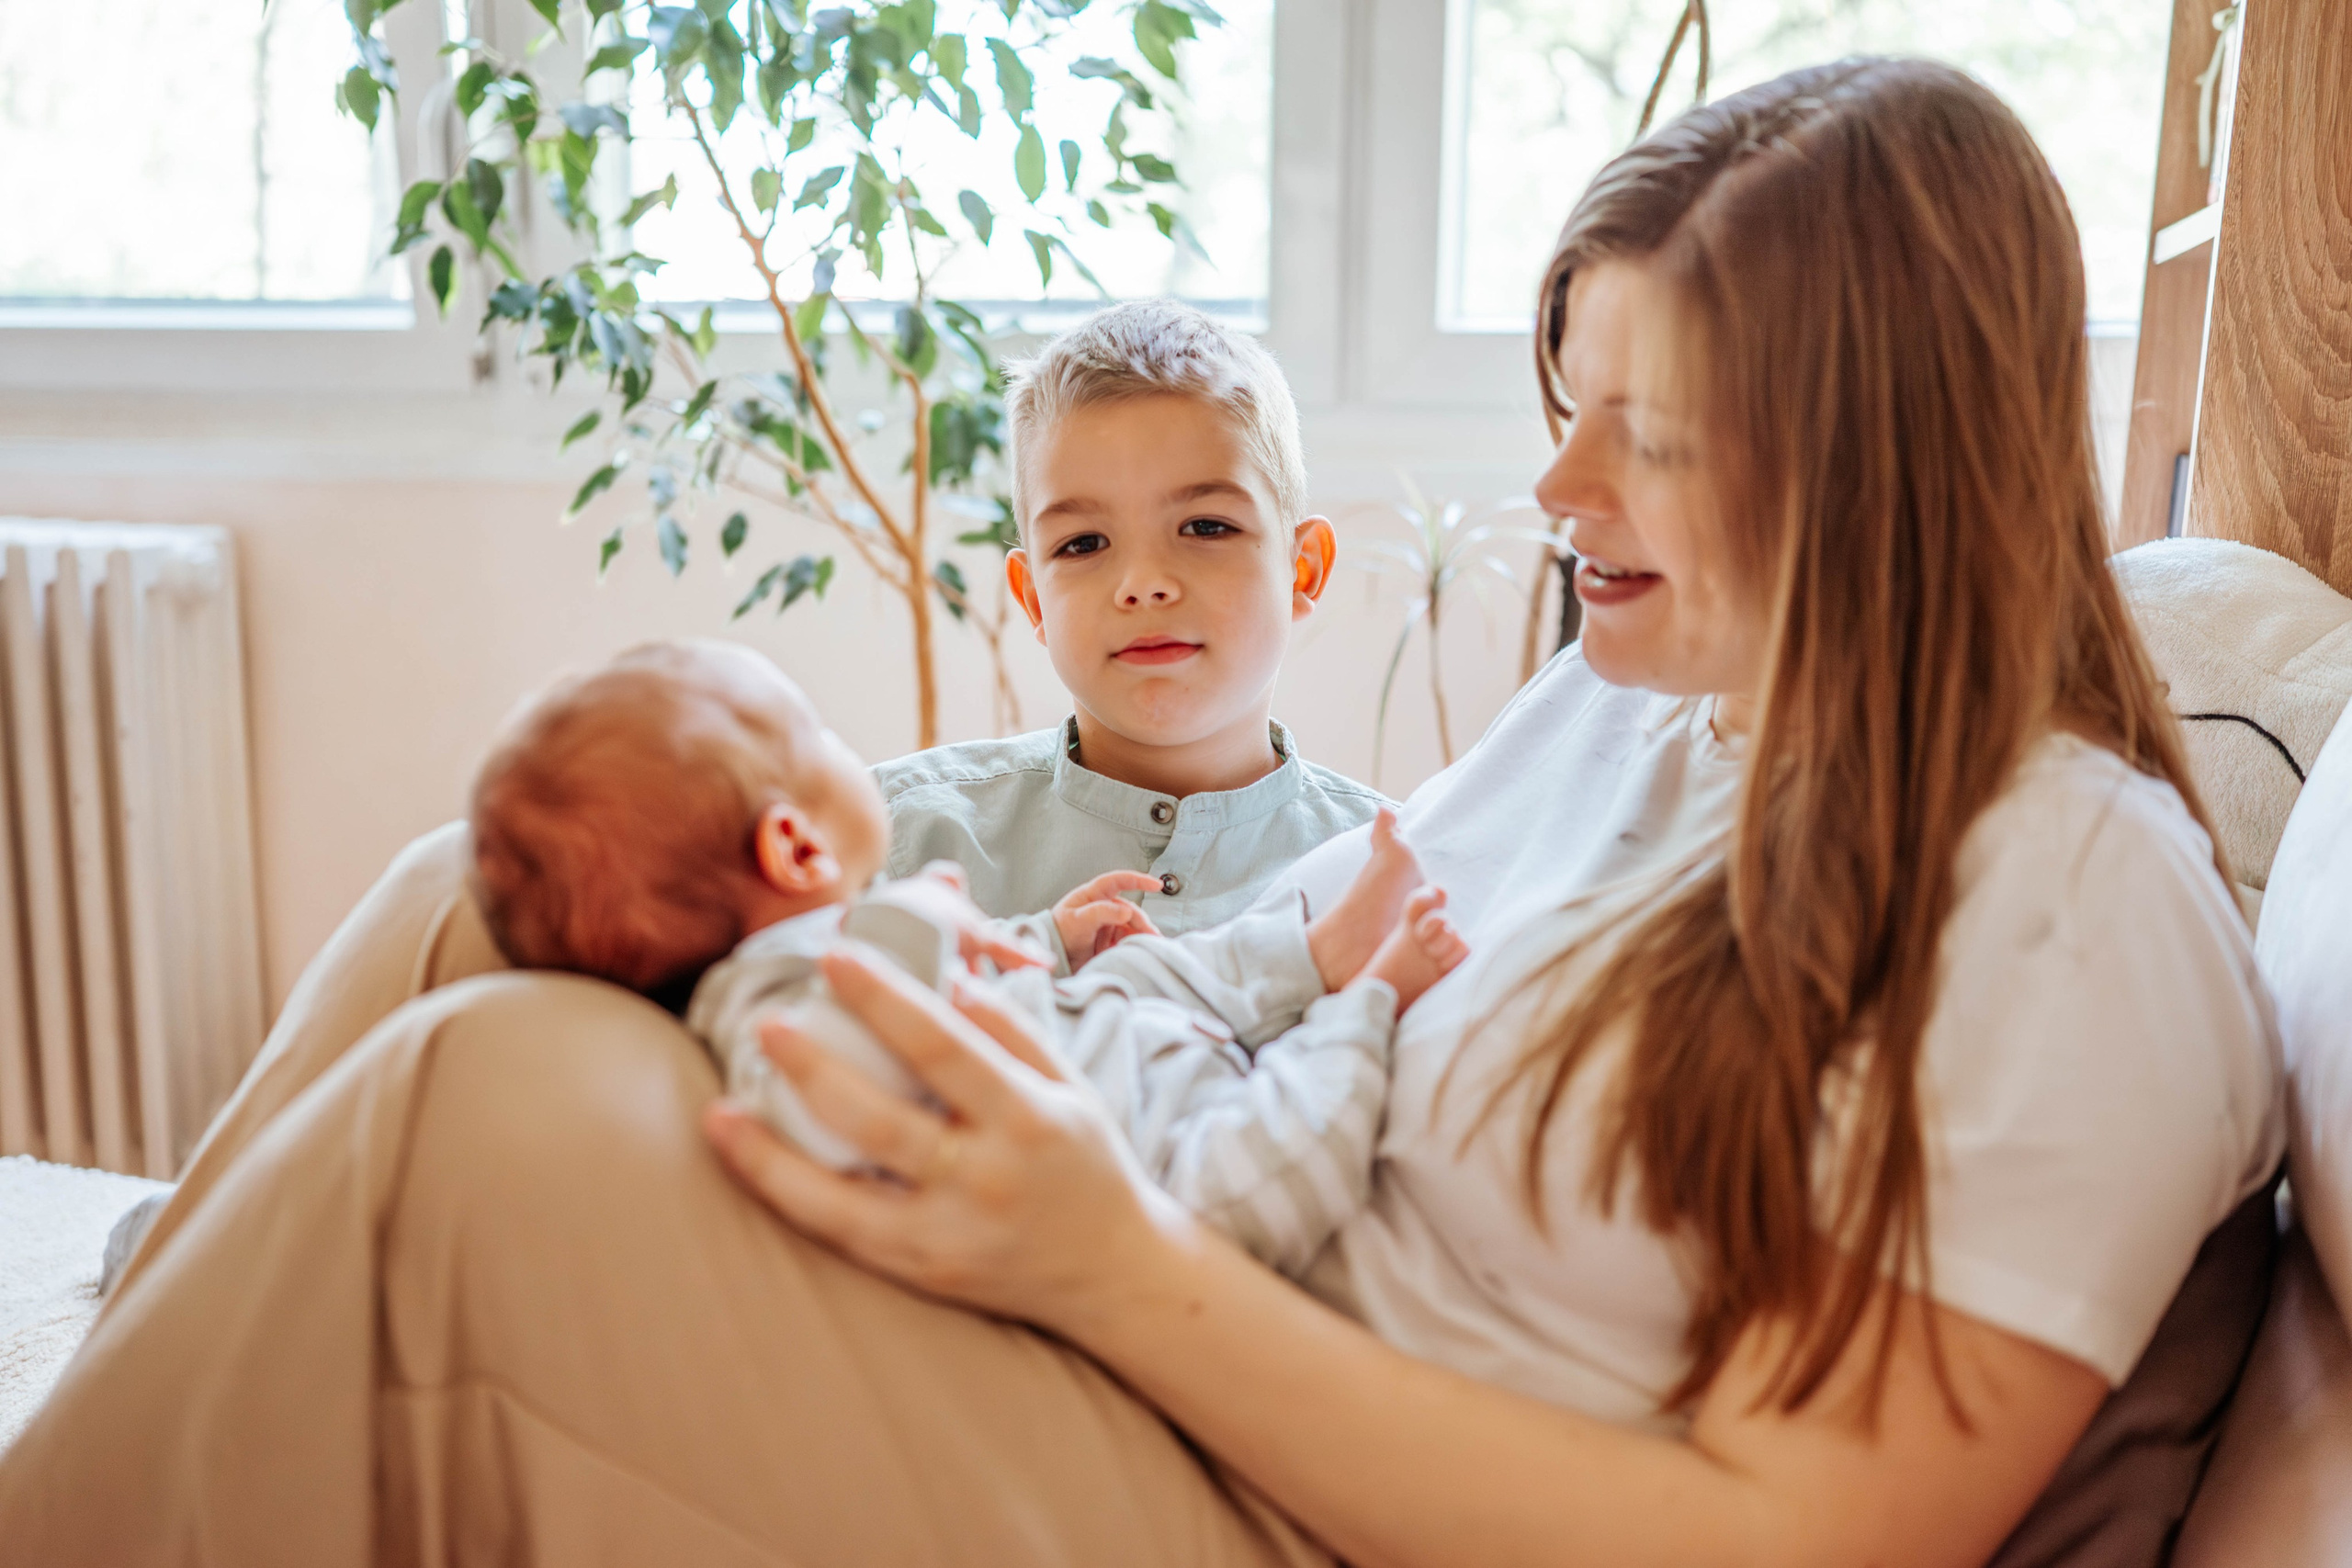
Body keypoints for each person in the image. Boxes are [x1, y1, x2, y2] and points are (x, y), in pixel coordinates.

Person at [0, 60, 2284, 1568]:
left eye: (1645, 436)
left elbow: (1780, 1538)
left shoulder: (2072, 907)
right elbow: (1243, 941)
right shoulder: (1645, 711)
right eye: (1561, 402)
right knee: (465, 904)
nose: (1556, 489)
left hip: (1269, 1493)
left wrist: (1115, 1262)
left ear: (1888, 450)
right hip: (1161, 1316)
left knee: (483, 1116)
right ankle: (143, 1370)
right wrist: (1011, 1003)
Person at [466, 637, 1464, 1273]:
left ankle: (1317, 947)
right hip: (1167, 1170)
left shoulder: (827, 954)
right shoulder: (770, 1012)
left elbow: (951, 995)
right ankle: (1363, 1002)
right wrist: (930, 926)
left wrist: (1045, 939)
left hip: (1100, 1050)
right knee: (1288, 1146)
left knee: (1149, 967)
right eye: (814, 736)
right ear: (796, 847)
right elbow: (848, 1077)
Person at [878, 299, 1388, 964]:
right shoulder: (895, 840)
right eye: (1085, 543)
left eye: (1206, 527)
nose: (1143, 583)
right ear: (1033, 597)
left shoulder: (1394, 875)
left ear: (1303, 569)